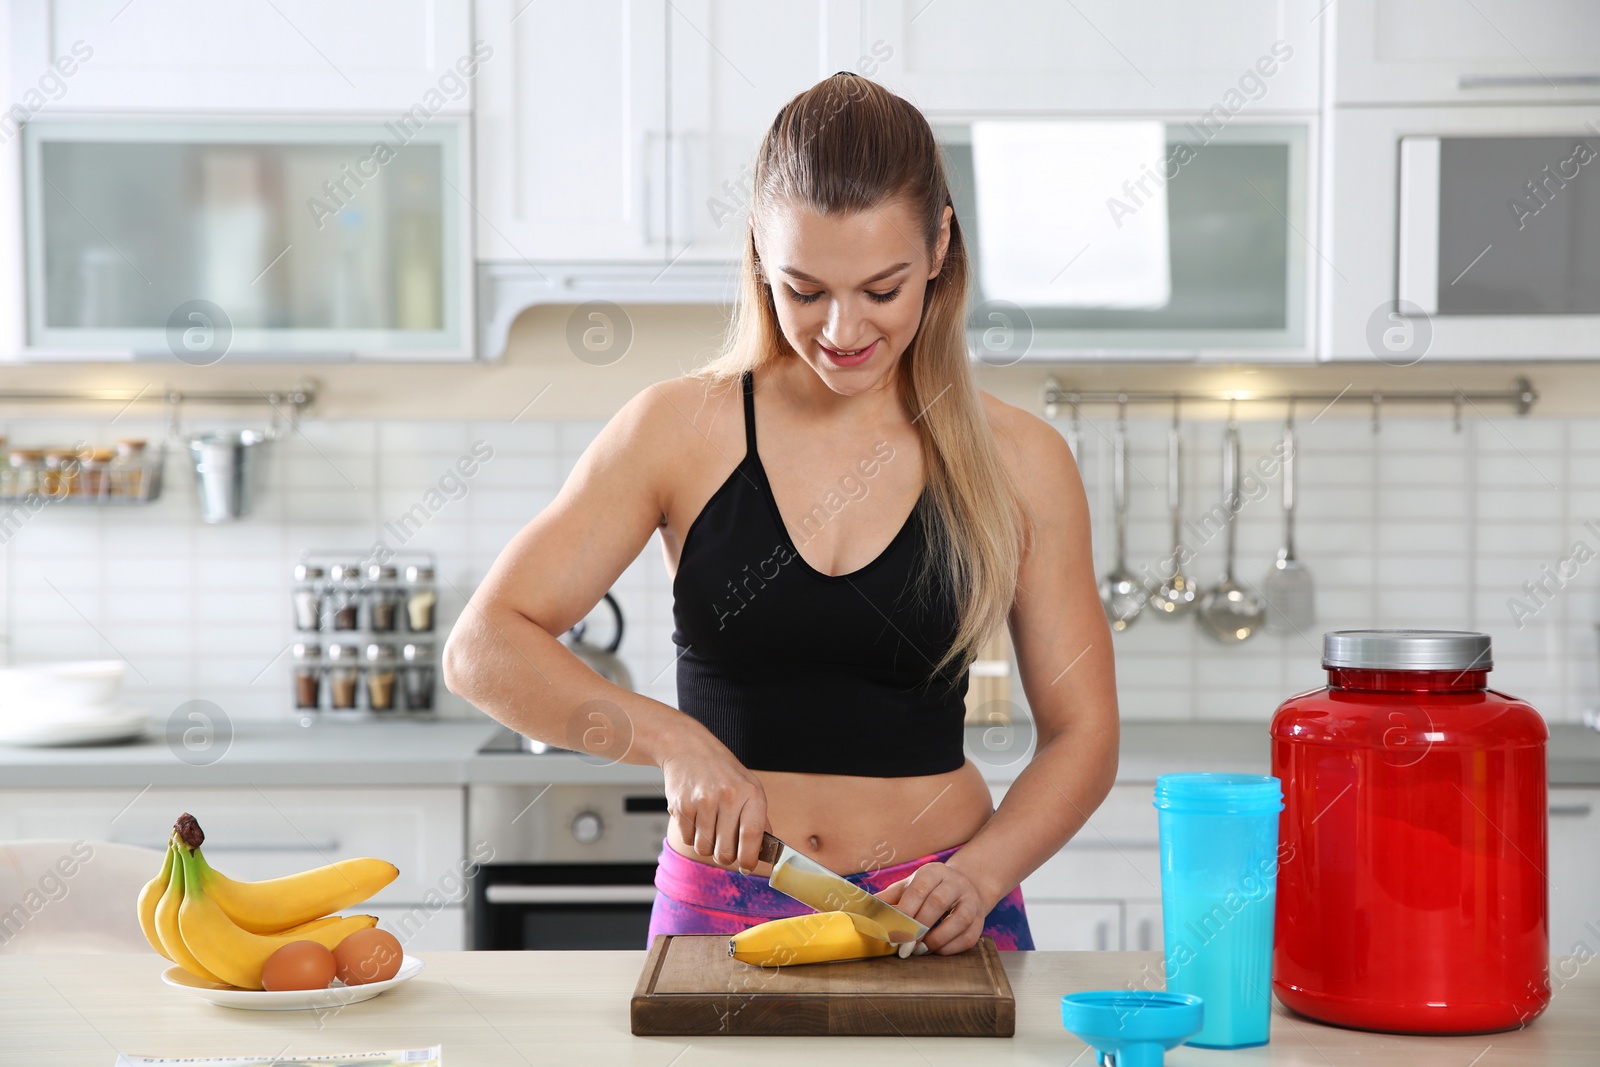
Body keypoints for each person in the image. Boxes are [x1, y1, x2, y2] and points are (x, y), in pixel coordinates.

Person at [443, 73, 1119, 956]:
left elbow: (1085, 734)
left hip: (940, 908)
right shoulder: (675, 430)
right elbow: (483, 646)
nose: (842, 329)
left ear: (941, 244)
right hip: (722, 901)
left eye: (882, 290)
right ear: (761, 252)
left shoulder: (1022, 459)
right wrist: (674, 741)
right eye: (806, 290)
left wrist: (983, 872)